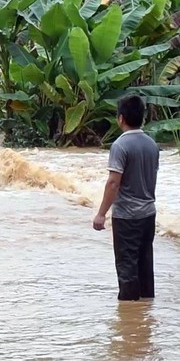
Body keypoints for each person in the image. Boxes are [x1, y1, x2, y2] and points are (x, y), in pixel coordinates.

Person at [93, 95, 160, 301]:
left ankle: (129, 316)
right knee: (145, 264)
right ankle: (146, 311)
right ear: (142, 117)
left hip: (127, 217)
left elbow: (114, 182)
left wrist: (101, 214)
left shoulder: (120, 146)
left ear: (120, 118)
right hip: (149, 214)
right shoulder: (152, 144)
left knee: (127, 267)